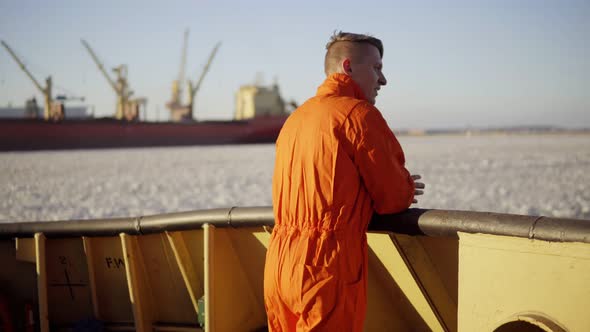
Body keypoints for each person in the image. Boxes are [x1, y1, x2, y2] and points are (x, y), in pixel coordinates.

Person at [264, 31, 425, 331]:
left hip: (279, 261)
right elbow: (392, 198)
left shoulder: (296, 119)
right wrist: (406, 187)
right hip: (326, 268)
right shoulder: (358, 115)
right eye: (376, 68)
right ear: (348, 67)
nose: (383, 79)